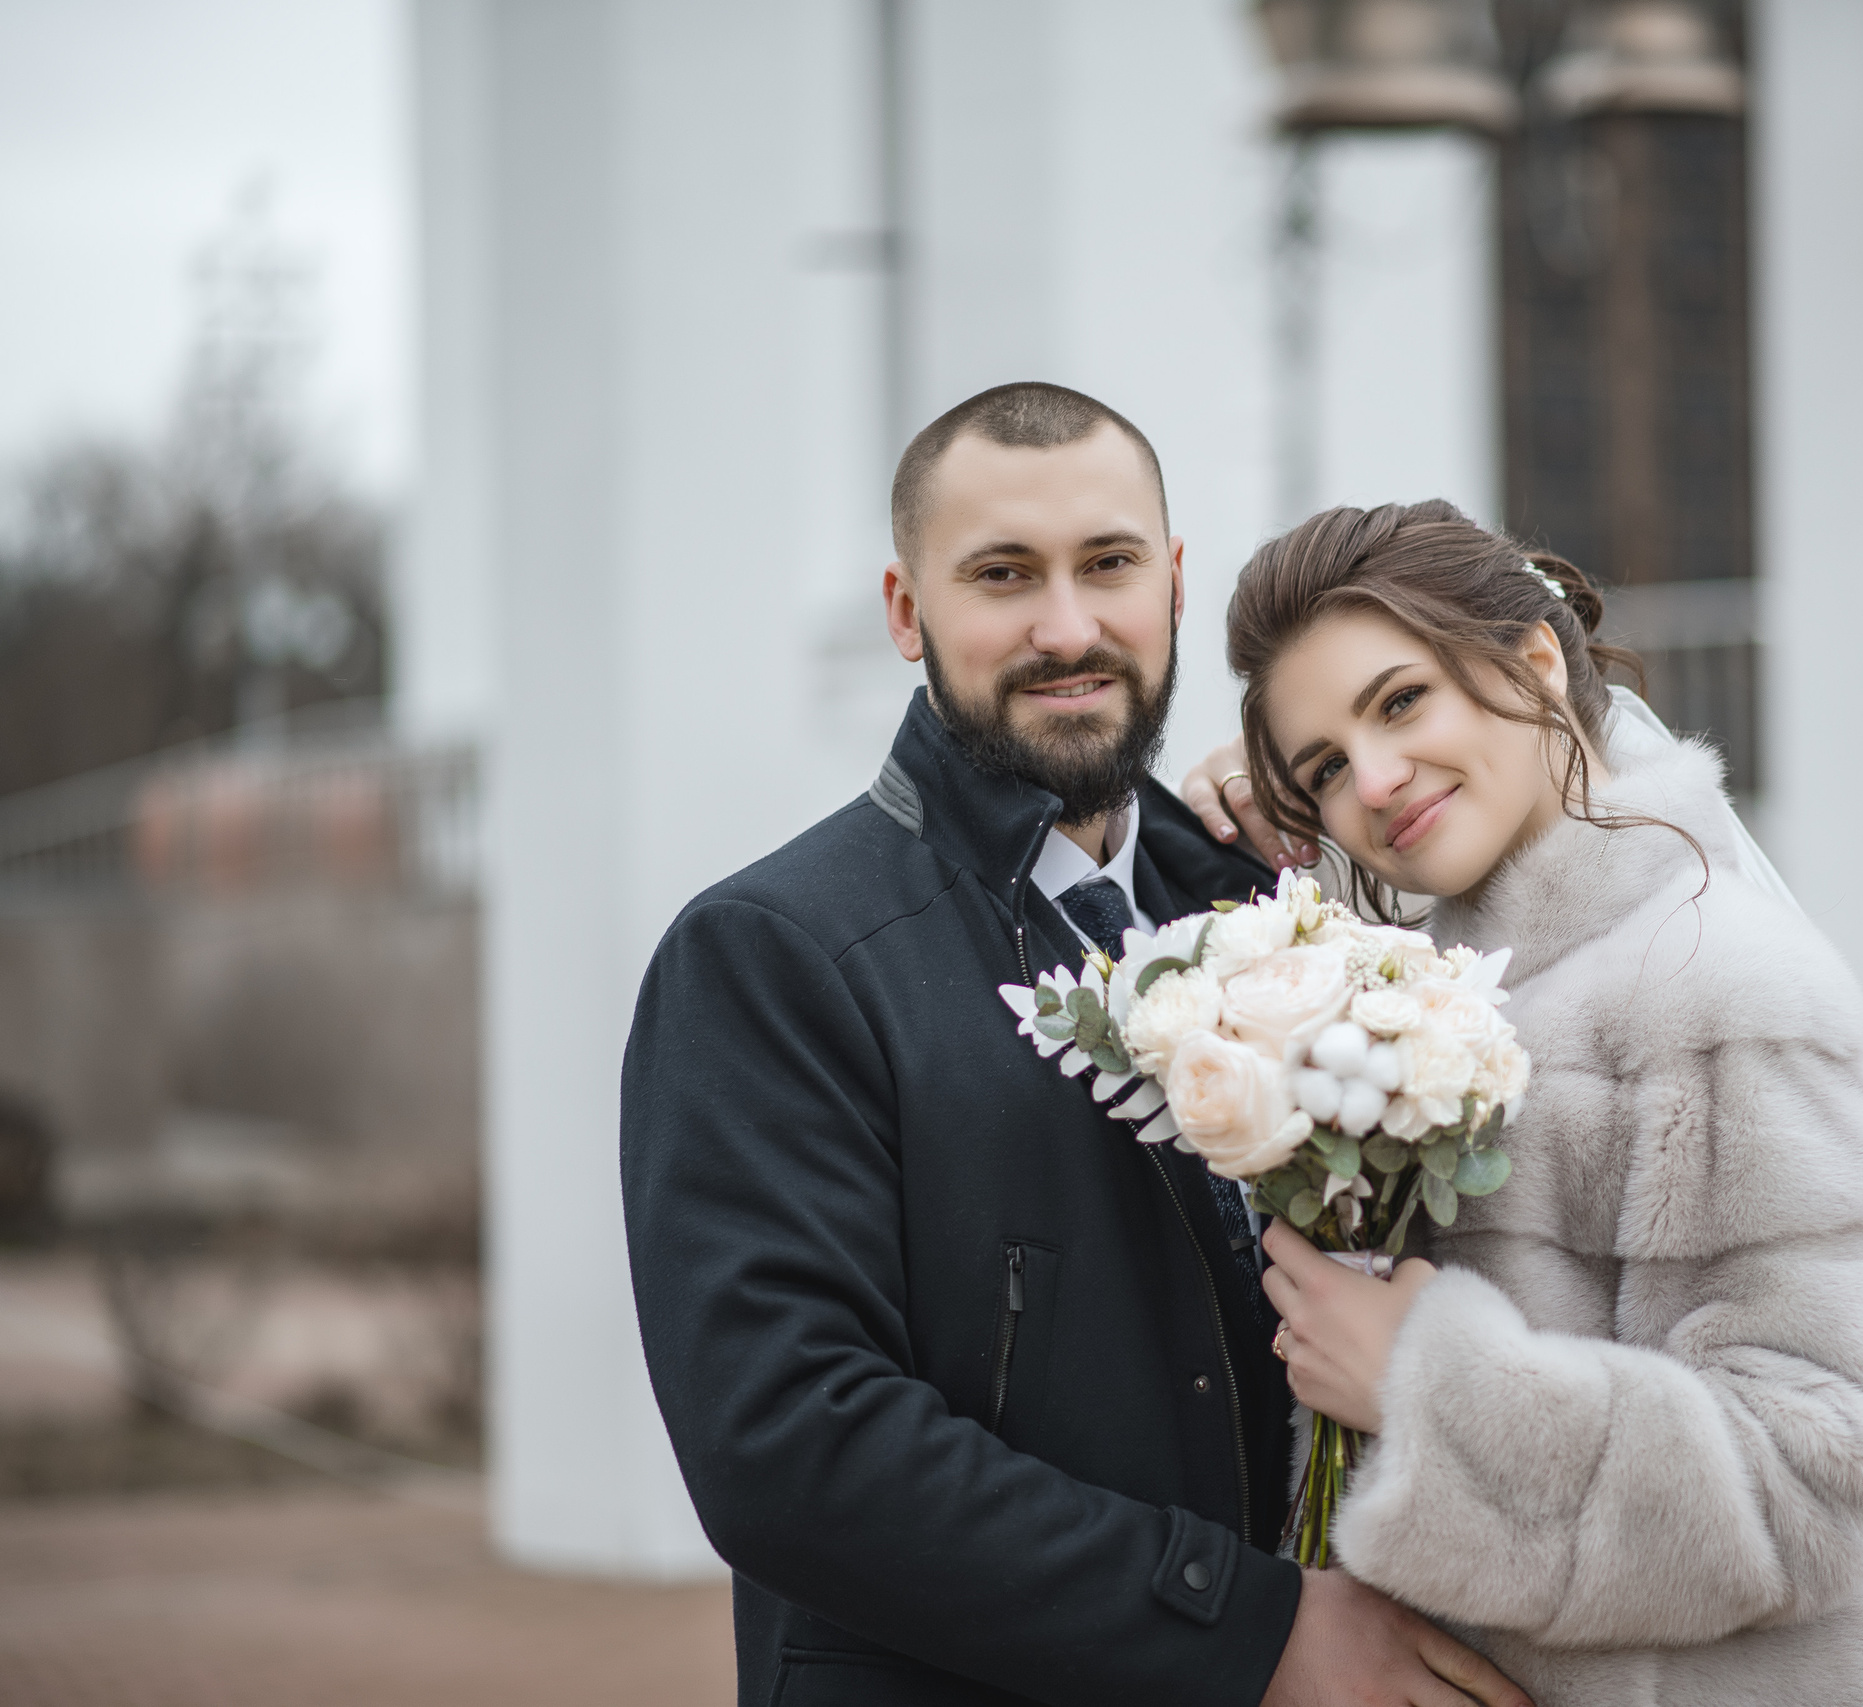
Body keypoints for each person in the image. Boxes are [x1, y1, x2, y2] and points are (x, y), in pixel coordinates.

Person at [621, 390, 1529, 1707]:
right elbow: (793, 1445)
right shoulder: (770, 956)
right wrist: (1250, 1630)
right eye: (1002, 576)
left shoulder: (1273, 901)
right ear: (904, 609)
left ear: (1170, 583)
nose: (1066, 627)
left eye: (1107, 565)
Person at [1183, 500, 1863, 1707]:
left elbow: (1821, 1480)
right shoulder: (1420, 1002)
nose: (1373, 782)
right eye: (1325, 766)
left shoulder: (1717, 985)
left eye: (1400, 702)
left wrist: (1428, 1387)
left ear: (1533, 660)